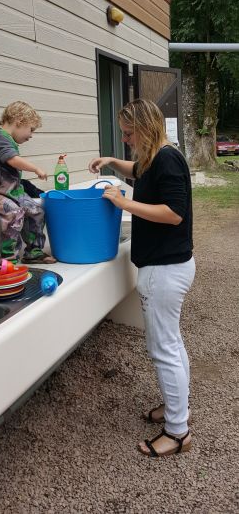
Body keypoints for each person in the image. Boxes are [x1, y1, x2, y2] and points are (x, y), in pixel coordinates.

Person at [89, 99, 194, 458]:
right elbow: (137, 170)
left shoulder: (166, 158)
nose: (127, 139)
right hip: (168, 265)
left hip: (165, 269)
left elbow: (173, 213)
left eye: (129, 133)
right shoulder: (156, 157)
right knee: (171, 342)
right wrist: (111, 162)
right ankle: (174, 407)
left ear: (146, 128)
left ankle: (178, 432)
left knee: (163, 349)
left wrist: (124, 203)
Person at [0, 101, 56, 264]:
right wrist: (36, 169)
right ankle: (9, 259)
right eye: (31, 129)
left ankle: (33, 251)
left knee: (36, 210)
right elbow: (13, 160)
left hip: (13, 192)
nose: (31, 135)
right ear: (19, 122)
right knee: (14, 213)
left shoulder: (7, 139)